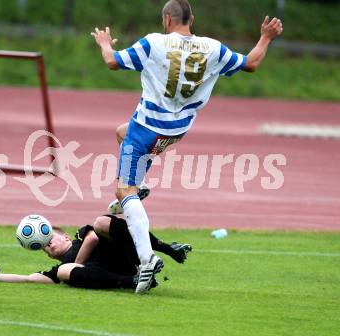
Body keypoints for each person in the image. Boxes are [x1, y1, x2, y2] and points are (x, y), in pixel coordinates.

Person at [91, 0, 283, 293]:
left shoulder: (155, 42)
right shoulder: (213, 47)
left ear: (167, 19)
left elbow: (112, 61)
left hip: (147, 127)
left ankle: (146, 260)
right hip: (177, 129)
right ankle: (137, 191)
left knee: (123, 190)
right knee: (121, 133)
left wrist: (104, 43)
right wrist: (266, 37)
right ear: (191, 19)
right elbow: (251, 63)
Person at [0, 214, 192, 291]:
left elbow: (94, 237)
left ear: (65, 236)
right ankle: (132, 282)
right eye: (44, 247)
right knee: (64, 271)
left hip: (124, 255)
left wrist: (78, 263)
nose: (48, 246)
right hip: (115, 273)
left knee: (102, 222)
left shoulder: (81, 235)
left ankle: (165, 248)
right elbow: (30, 278)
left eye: (50, 239)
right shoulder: (62, 265)